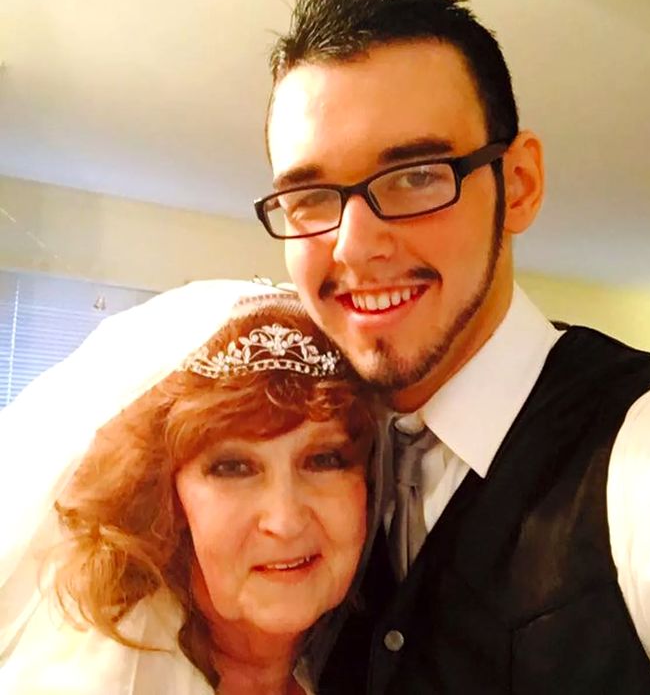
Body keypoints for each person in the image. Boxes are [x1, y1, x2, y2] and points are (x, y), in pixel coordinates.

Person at [255, 0, 650, 692]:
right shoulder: (313, 448)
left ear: (518, 185)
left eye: (416, 176)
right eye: (310, 196)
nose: (354, 247)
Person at [0, 280, 385, 695]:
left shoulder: (379, 654)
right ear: (167, 498)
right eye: (233, 468)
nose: (286, 520)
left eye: (324, 460)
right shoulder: (94, 681)